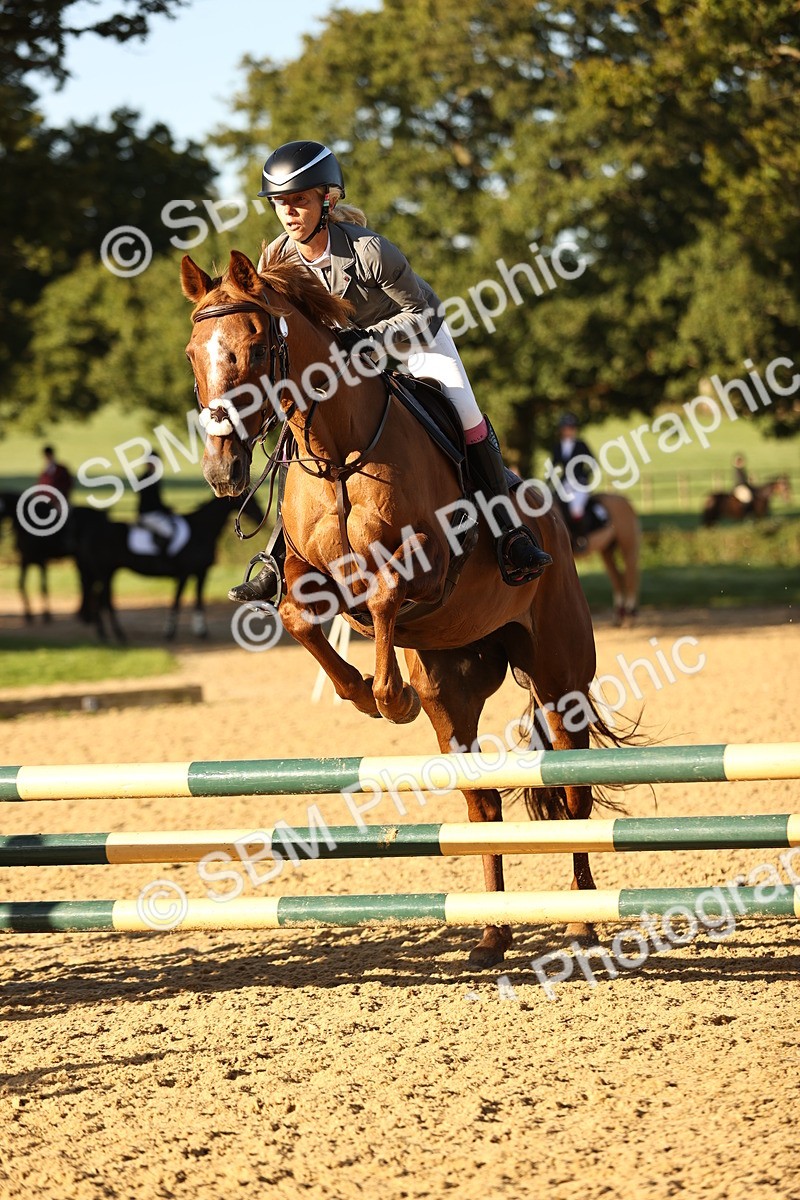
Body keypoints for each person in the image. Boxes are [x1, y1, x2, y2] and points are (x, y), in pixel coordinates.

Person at [229, 139, 552, 604]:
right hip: (345, 357)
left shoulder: (369, 250)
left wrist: (370, 341)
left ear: (327, 200)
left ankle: (510, 533)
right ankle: (279, 555)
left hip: (413, 340)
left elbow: (423, 315)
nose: (289, 213)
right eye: (280, 203)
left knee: (466, 413)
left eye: (299, 201)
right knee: (300, 428)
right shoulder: (276, 260)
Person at [550, 413, 602, 543]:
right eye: (566, 428)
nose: (568, 431)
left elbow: (593, 463)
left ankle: (581, 537)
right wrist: (548, 483)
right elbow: (553, 467)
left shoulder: (581, 445)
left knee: (576, 510)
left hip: (580, 484)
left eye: (571, 428)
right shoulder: (558, 447)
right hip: (565, 483)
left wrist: (584, 476)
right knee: (555, 507)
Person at [136, 453, 174, 552]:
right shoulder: (146, 479)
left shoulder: (153, 478)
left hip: (153, 512)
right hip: (149, 514)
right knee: (168, 531)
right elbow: (151, 501)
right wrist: (165, 509)